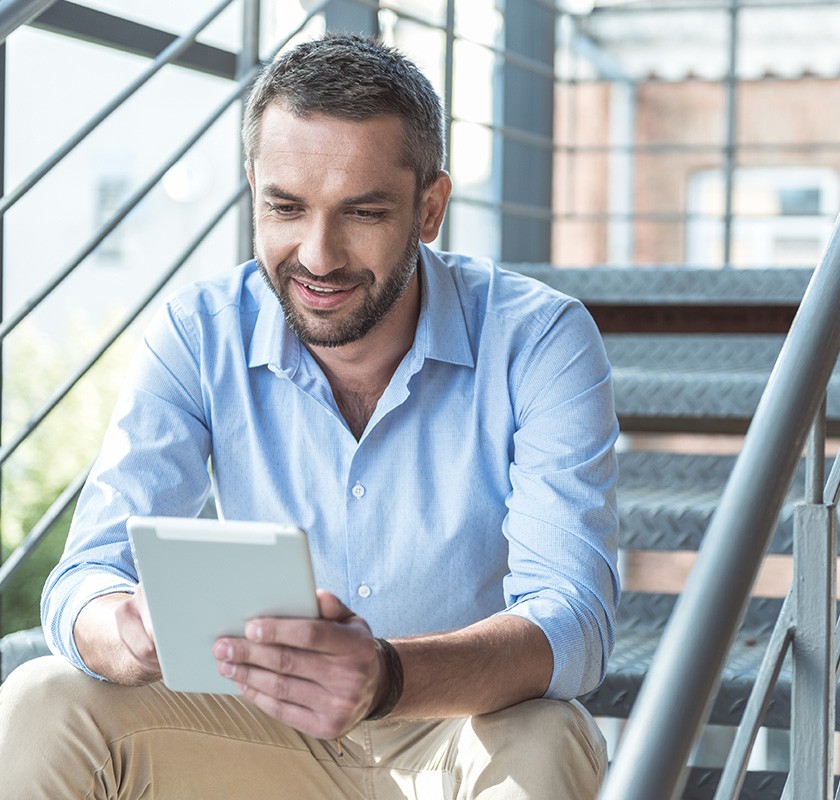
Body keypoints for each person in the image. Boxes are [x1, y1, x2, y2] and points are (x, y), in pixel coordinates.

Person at [0, 33, 619, 799]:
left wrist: (386, 675)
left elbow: (574, 621)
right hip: (251, 728)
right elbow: (84, 578)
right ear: (253, 186)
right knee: (39, 700)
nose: (318, 256)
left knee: (549, 733)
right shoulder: (199, 333)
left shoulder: (540, 339)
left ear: (429, 210)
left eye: (362, 212)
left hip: (456, 726)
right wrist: (124, 629)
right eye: (286, 208)